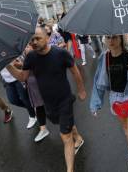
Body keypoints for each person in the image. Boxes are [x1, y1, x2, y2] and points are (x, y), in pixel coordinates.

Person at [7, 27, 87, 172]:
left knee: (65, 136)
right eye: (32, 40)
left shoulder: (61, 53)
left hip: (64, 99)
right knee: (63, 124)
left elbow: (75, 70)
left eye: (38, 38)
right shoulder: (31, 57)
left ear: (48, 38)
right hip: (48, 103)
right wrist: (8, 66)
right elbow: (23, 77)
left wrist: (81, 90)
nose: (34, 42)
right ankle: (79, 138)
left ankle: (70, 169)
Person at [90, 35, 128, 172]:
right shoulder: (104, 58)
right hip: (116, 99)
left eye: (114, 38)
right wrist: (95, 103)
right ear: (105, 40)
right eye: (108, 38)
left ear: (120, 39)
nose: (111, 41)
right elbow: (99, 82)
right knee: (126, 129)